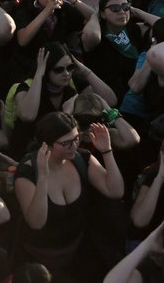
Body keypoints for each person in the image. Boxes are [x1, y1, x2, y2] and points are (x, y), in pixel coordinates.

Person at [15, 112, 124, 282]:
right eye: (66, 143)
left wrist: (107, 151)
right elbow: (36, 222)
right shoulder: (28, 172)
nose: (73, 146)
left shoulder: (81, 158)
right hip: (40, 261)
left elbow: (115, 191)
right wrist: (43, 177)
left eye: (76, 138)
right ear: (47, 145)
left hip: (77, 251)